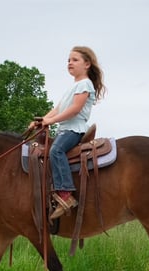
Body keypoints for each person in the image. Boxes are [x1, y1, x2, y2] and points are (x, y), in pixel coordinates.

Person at [30, 46, 106, 220]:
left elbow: (75, 109)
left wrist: (49, 122)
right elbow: (58, 109)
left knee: (56, 151)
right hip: (65, 128)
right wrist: (41, 121)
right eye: (68, 60)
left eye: (75, 60)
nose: (70, 63)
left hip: (74, 128)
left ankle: (65, 193)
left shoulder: (85, 84)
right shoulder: (75, 86)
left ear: (87, 64)